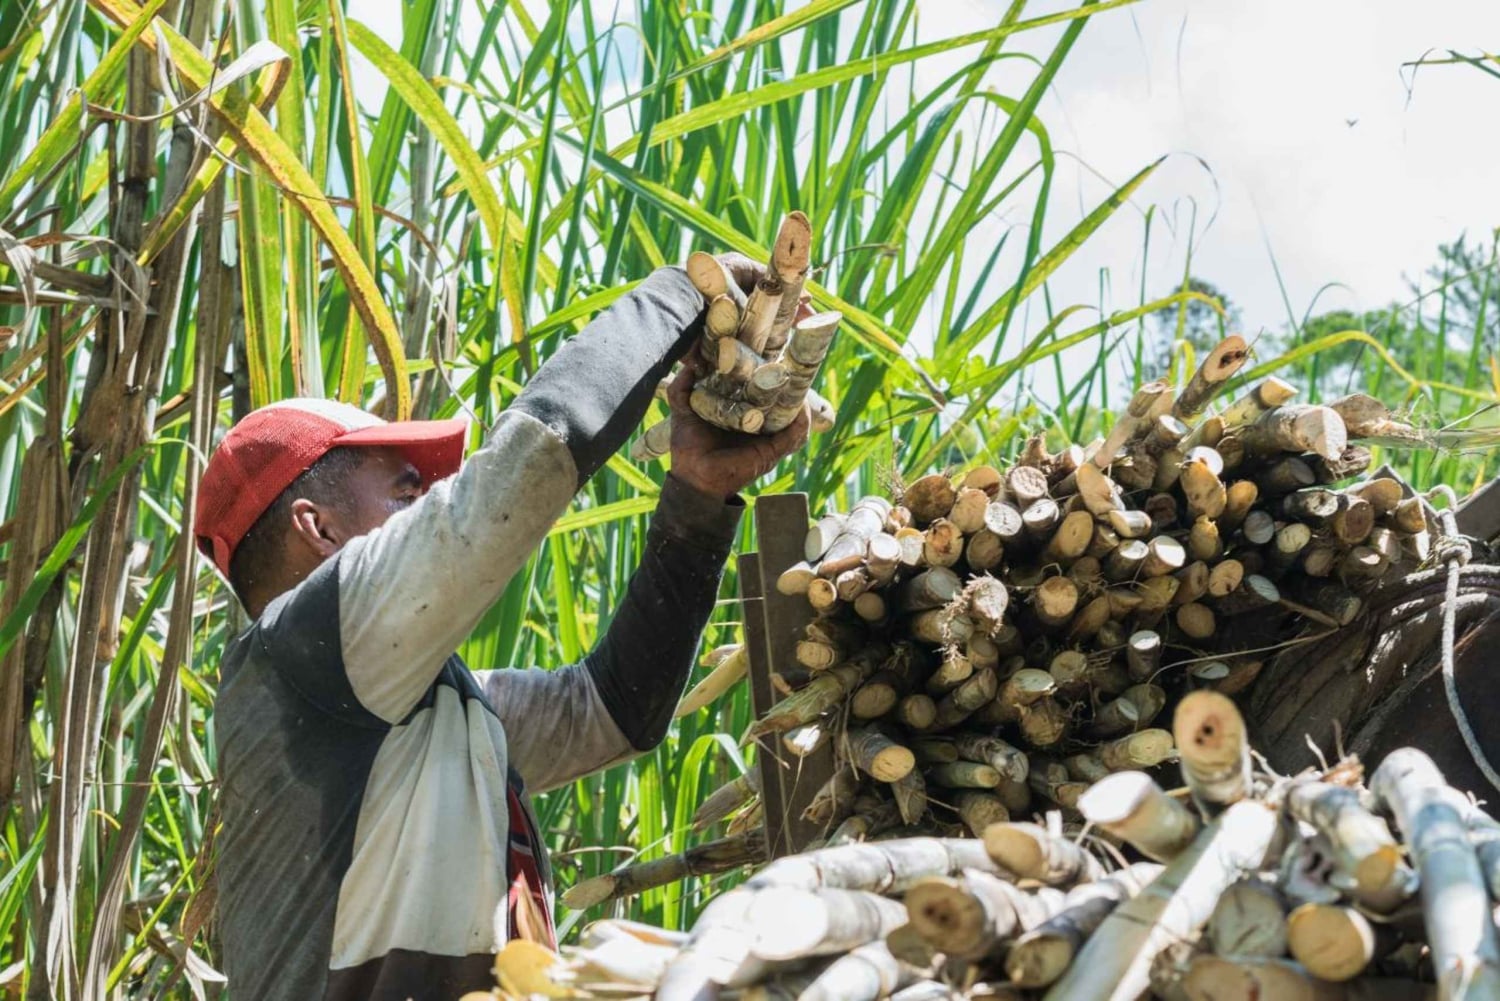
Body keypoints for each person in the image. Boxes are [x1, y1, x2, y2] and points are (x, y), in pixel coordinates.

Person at [192, 257, 809, 1001]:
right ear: (317, 527)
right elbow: (513, 479)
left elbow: (614, 709)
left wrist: (698, 496)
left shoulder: (429, 719)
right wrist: (679, 296)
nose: (434, 497)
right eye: (405, 489)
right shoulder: (293, 654)